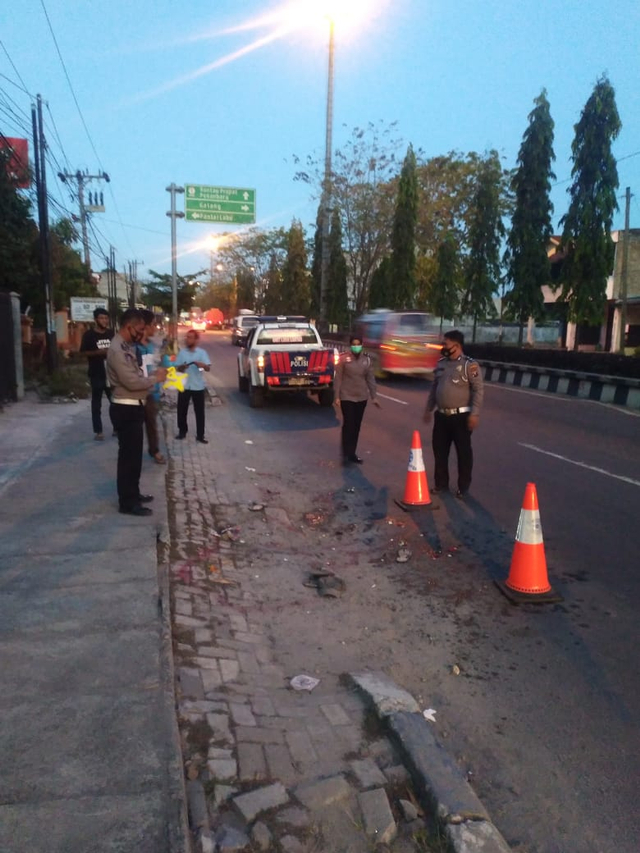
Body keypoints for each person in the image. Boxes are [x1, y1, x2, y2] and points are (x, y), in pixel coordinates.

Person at [106, 309, 167, 516]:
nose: (141, 333)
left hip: (133, 405)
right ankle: (128, 502)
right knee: (128, 459)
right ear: (128, 327)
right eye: (139, 329)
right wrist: (155, 379)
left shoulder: (126, 346)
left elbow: (136, 374)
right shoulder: (117, 350)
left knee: (134, 458)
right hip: (126, 406)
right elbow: (131, 381)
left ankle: (133, 493)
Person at [423, 330, 484, 498]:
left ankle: (463, 487)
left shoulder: (469, 365)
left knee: (463, 453)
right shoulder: (441, 363)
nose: (443, 347)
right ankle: (441, 484)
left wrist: (475, 414)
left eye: (446, 344)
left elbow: (478, 390)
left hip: (461, 417)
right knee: (439, 451)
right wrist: (429, 409)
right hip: (442, 416)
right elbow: (434, 387)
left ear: (456, 346)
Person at [333, 336, 380, 464]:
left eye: (358, 344)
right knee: (348, 424)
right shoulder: (344, 359)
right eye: (354, 344)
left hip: (361, 398)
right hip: (347, 396)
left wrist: (374, 396)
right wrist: (336, 396)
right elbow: (338, 379)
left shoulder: (367, 360)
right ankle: (346, 454)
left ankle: (352, 453)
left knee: (356, 426)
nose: (356, 346)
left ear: (362, 345)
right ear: (350, 346)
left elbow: (370, 379)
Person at [79, 307, 114, 440]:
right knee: (96, 403)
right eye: (101, 318)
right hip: (96, 373)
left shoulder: (111, 334)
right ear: (95, 320)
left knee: (115, 402)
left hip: (111, 374)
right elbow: (82, 352)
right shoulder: (89, 335)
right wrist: (97, 353)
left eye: (106, 318)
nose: (104, 321)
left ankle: (117, 427)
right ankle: (98, 431)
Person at [136, 310, 166, 465]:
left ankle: (154, 450)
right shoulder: (132, 348)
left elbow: (159, 365)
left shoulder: (153, 346)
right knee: (134, 426)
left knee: (152, 423)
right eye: (153, 324)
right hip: (135, 392)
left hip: (151, 392)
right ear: (145, 326)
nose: (155, 327)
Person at [175, 330, 211, 443]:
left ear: (196, 340)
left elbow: (208, 368)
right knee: (181, 410)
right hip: (185, 386)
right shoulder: (182, 353)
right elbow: (176, 368)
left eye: (190, 338)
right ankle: (182, 431)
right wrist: (182, 367)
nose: (187, 339)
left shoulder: (202, 353)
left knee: (199, 412)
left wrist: (202, 365)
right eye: (187, 337)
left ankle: (200, 435)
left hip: (197, 386)